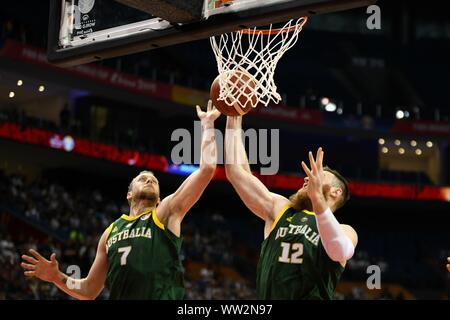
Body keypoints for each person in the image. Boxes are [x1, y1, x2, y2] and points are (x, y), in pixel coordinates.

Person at [20, 101, 221, 300]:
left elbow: (207, 169)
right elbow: (89, 289)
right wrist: (57, 277)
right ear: (129, 194)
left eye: (153, 180)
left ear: (159, 199)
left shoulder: (165, 213)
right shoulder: (110, 233)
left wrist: (208, 125)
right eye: (142, 178)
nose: (149, 179)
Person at [224, 116, 358, 300]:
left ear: (335, 192)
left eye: (317, 175)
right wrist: (234, 115)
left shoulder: (345, 231)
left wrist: (317, 198)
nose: (306, 178)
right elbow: (236, 172)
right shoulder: (281, 209)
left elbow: (339, 250)